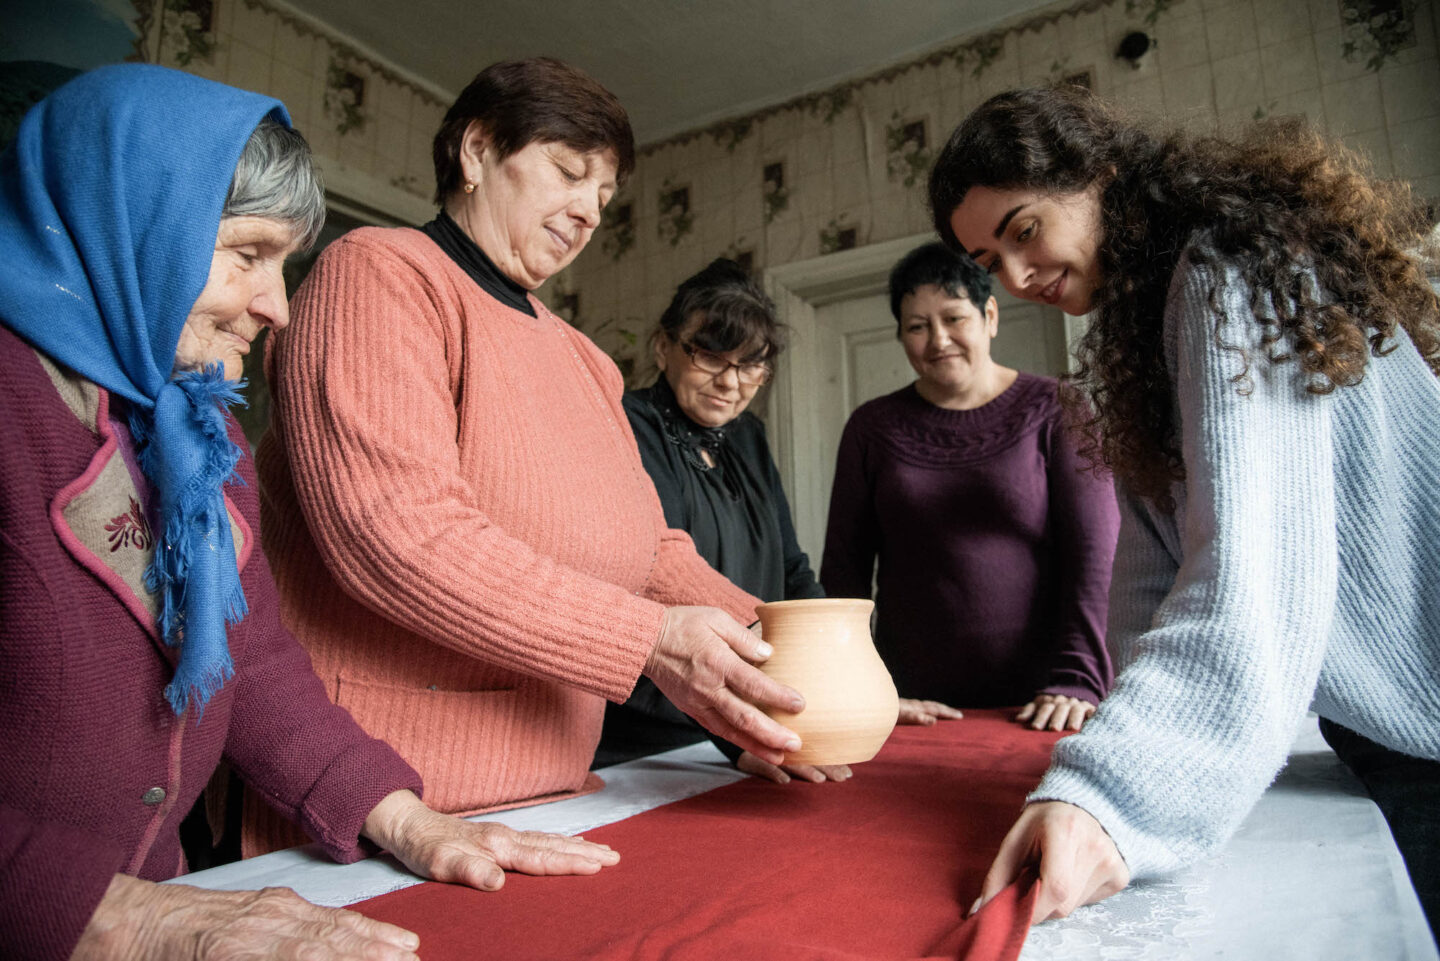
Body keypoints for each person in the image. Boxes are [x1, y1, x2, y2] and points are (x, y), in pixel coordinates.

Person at [0, 65, 619, 961]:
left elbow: (251, 661)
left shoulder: (201, 435)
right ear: (127, 224)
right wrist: (132, 920)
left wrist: (409, 820)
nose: (276, 306)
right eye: (248, 254)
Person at [244, 59, 806, 854]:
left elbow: (648, 552)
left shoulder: (584, 359)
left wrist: (777, 646)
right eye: (569, 173)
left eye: (604, 198)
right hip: (389, 805)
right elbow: (397, 537)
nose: (586, 213)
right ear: (475, 152)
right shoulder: (377, 273)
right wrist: (649, 641)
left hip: (558, 795)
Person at [931, 85, 1440, 929]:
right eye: (990, 263)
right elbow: (1152, 574)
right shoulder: (1147, 320)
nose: (1018, 277)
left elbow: (1251, 573)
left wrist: (1108, 795)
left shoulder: (1223, 269)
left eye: (1024, 230)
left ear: (1101, 173)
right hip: (1386, 729)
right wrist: (1125, 734)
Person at [820, 242, 1118, 733]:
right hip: (909, 704)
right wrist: (859, 684)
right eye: (917, 326)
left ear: (990, 316)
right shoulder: (871, 428)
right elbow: (843, 575)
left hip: (1043, 702)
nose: (938, 340)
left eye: (954, 318)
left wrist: (1079, 677)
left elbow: (1095, 557)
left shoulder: (1059, 408)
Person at [597, 259, 848, 785]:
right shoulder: (625, 423)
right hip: (643, 735)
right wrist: (734, 739)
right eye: (710, 355)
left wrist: (842, 665)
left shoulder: (748, 436)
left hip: (742, 718)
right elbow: (655, 577)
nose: (730, 382)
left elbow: (791, 567)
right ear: (664, 347)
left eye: (751, 364)